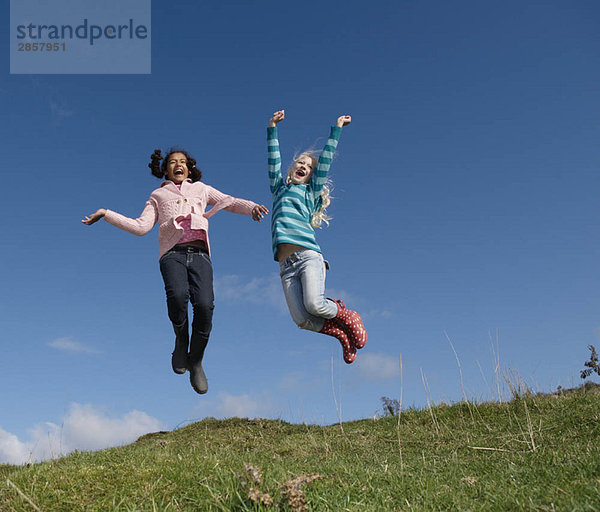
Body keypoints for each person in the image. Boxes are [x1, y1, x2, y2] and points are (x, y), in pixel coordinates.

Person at [82, 148, 268, 394]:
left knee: (204, 305)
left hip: (200, 254)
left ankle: (197, 360)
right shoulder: (157, 195)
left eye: (182, 162)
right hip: (172, 255)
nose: (178, 165)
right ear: (166, 169)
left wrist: (252, 206)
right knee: (178, 296)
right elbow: (141, 227)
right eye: (172, 162)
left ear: (189, 168)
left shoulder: (202, 189)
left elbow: (229, 201)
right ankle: (181, 340)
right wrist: (107, 214)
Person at [267, 110, 367, 364]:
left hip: (308, 256)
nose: (304, 166)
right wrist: (272, 129)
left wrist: (337, 130)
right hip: (286, 267)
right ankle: (342, 335)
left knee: (314, 304)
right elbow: (273, 162)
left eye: (308, 166)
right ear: (292, 169)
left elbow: (325, 162)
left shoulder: (310, 193)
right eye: (300, 163)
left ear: (313, 176)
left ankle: (347, 315)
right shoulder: (280, 190)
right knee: (302, 319)